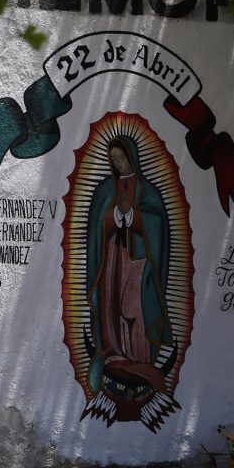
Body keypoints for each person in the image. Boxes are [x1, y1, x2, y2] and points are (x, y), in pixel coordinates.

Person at [84, 134, 175, 425]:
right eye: (113, 159)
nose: (117, 163)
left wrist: (136, 218)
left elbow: (158, 222)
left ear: (131, 157)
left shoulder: (148, 192)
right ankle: (113, 353)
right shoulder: (104, 191)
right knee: (112, 306)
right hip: (112, 260)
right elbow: (97, 223)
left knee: (135, 307)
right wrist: (112, 218)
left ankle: (139, 359)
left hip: (138, 263)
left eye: (121, 157)